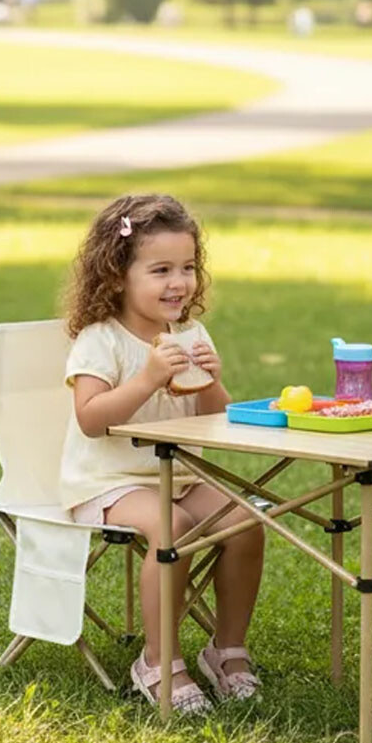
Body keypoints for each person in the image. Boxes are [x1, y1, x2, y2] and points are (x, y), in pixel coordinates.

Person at [60, 194, 265, 715]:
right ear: (117, 276)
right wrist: (147, 379)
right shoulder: (100, 340)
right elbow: (90, 418)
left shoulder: (189, 334)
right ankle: (158, 661)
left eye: (188, 268)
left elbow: (212, 417)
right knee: (174, 528)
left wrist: (212, 381)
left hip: (180, 476)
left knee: (246, 523)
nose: (179, 282)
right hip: (109, 481)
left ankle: (227, 649)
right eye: (161, 270)